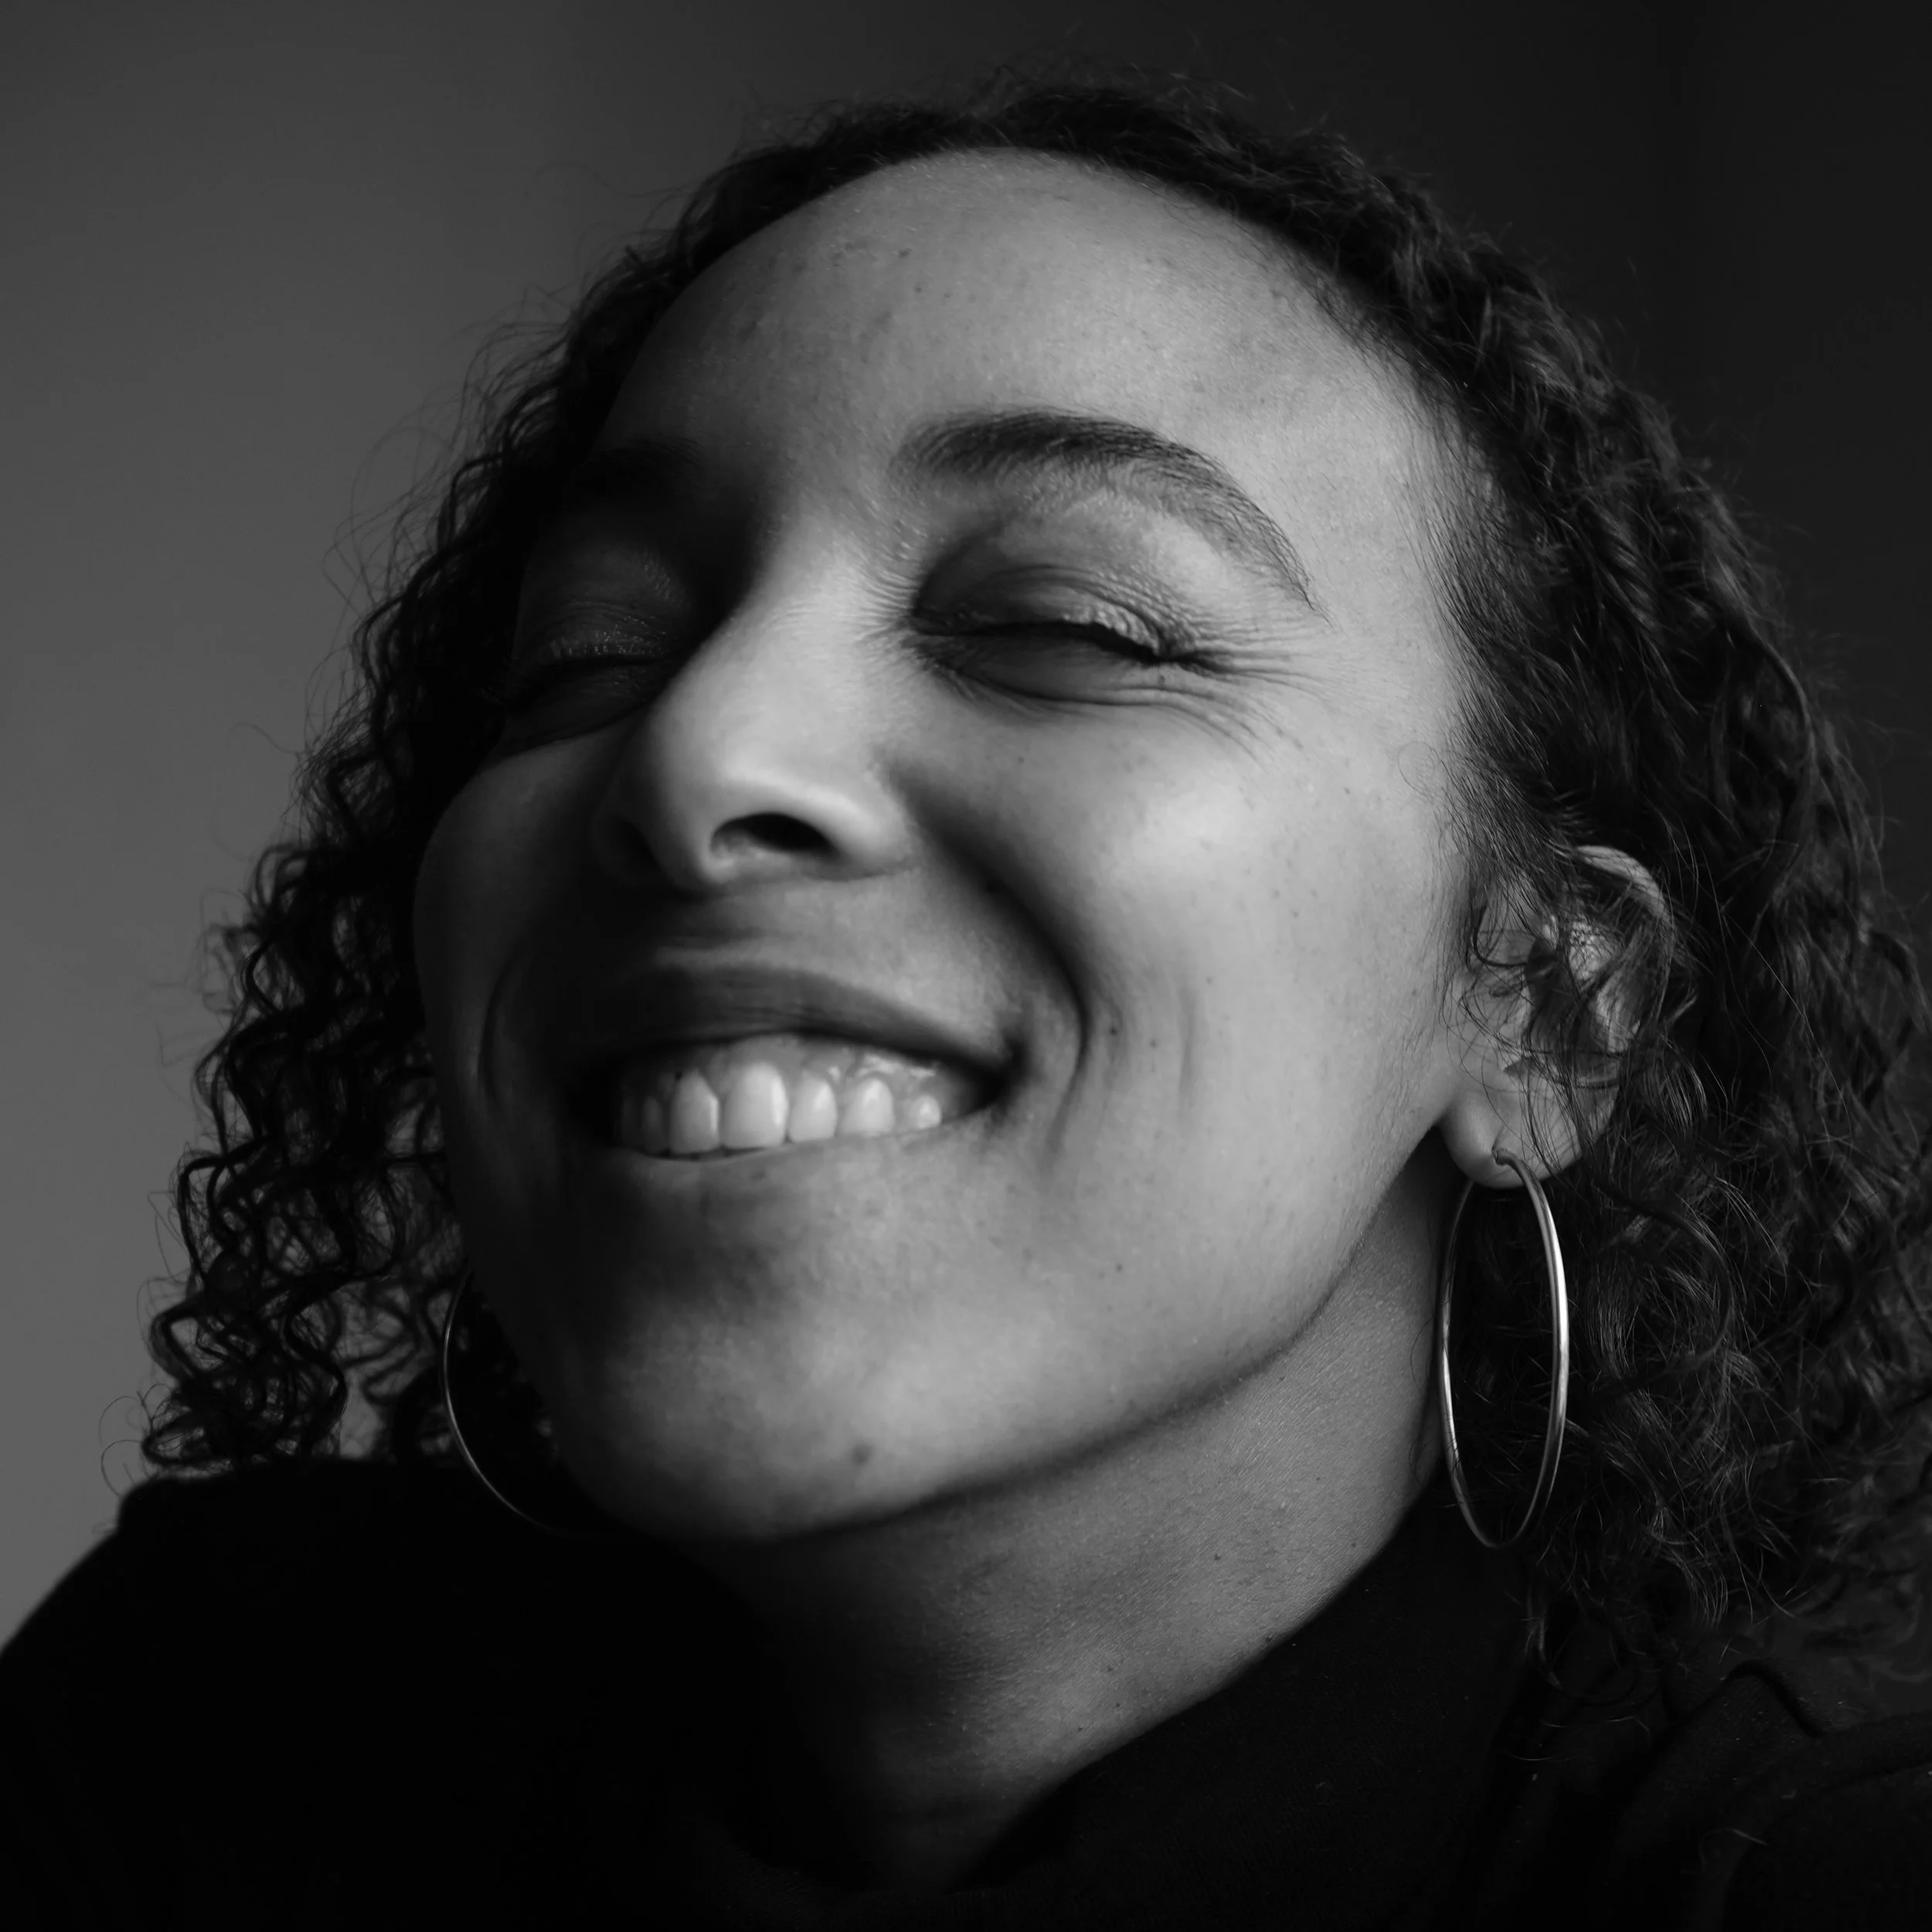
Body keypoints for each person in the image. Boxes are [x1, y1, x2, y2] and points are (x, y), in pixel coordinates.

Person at [5, 71, 1930, 1930]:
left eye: (1063, 627)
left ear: (1540, 1009)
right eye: (588, 653)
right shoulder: (195, 1726)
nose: (696, 749)